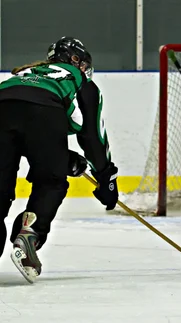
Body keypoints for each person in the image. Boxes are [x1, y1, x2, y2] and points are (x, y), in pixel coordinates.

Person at [0, 36, 119, 283]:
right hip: (43, 111)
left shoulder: (27, 72)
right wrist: (106, 176)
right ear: (75, 60)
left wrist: (62, 157)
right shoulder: (79, 81)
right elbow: (92, 136)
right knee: (51, 182)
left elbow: (20, 129)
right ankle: (30, 232)